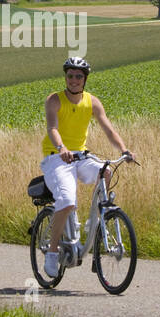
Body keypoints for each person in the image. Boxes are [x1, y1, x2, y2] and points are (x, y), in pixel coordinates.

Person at [40, 57, 133, 279]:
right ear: (66, 77)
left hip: (81, 156)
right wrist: (62, 147)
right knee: (67, 200)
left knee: (106, 170)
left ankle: (95, 219)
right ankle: (52, 252)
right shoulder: (54, 100)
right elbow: (52, 128)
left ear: (85, 79)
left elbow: (108, 129)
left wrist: (124, 150)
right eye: (70, 75)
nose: (74, 80)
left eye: (78, 76)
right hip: (57, 158)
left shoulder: (92, 102)